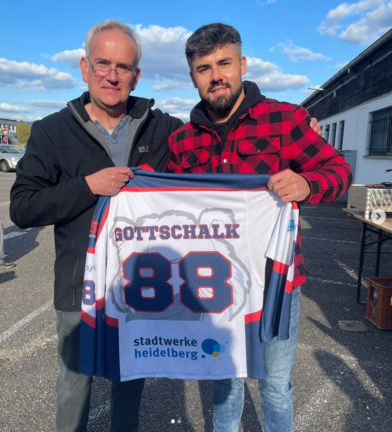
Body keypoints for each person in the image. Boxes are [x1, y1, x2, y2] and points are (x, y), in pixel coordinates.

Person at [10, 19, 322, 432]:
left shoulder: (165, 129)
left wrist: (307, 153)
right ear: (85, 68)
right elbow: (22, 208)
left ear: (136, 75)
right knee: (75, 386)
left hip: (144, 288)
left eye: (123, 67)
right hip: (79, 287)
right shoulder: (52, 131)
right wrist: (87, 186)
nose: (112, 75)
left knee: (132, 379)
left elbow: (208, 150)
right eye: (103, 64)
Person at [166, 23, 353, 432]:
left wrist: (308, 184)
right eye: (203, 68)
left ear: (243, 64)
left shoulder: (286, 120)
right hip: (215, 286)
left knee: (276, 387)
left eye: (224, 63)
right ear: (193, 77)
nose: (216, 75)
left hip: (276, 285)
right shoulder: (182, 140)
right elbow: (170, 207)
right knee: (224, 382)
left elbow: (340, 171)